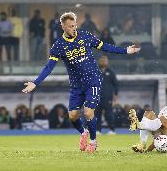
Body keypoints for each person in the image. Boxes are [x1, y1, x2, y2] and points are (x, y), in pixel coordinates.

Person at [22, 12, 140, 154]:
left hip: (93, 81)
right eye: (71, 26)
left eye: (75, 25)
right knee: (72, 116)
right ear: (63, 27)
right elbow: (49, 67)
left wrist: (125, 51)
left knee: (88, 112)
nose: (74, 28)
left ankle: (93, 141)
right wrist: (35, 83)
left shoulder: (85, 36)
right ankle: (83, 132)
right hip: (76, 85)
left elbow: (105, 47)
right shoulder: (58, 46)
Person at [95, 55, 118, 134]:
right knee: (97, 114)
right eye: (102, 60)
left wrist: (115, 95)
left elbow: (116, 84)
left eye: (105, 60)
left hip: (108, 97)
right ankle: (98, 130)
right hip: (97, 96)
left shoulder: (111, 72)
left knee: (109, 114)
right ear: (99, 61)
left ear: (107, 62)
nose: (103, 62)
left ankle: (112, 130)